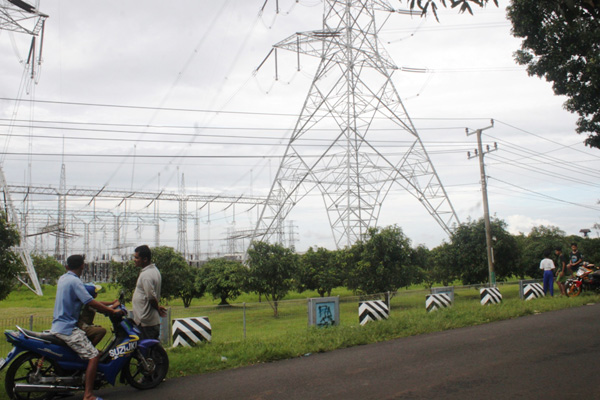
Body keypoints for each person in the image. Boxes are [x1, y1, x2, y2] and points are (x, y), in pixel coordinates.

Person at [50, 255, 123, 400]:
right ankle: (88, 395)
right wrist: (112, 310)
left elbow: (89, 301)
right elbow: (90, 302)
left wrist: (110, 304)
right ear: (83, 266)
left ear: (67, 267)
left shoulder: (63, 278)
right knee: (94, 355)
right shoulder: (75, 282)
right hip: (68, 329)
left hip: (58, 326)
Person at [132, 245, 167, 340]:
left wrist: (158, 309)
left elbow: (151, 297)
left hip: (145, 322)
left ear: (145, 259)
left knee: (148, 351)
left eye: (137, 257)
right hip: (147, 320)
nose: (134, 260)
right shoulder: (154, 270)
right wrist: (158, 307)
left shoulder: (146, 275)